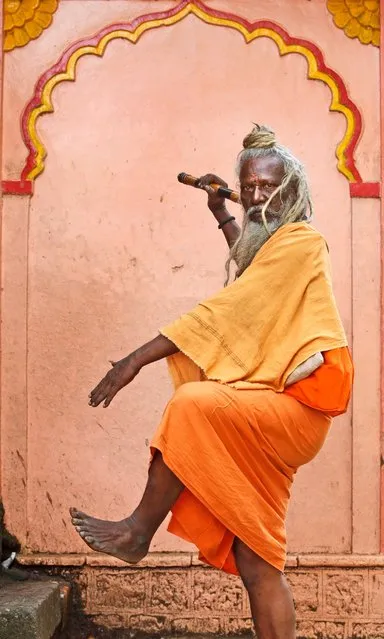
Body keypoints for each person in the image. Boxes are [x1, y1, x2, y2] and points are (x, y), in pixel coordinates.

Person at [70, 125, 353, 639]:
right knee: (256, 558)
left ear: (290, 189)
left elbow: (233, 307)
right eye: (249, 188)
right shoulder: (275, 246)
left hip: (299, 407)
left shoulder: (303, 242)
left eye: (268, 186)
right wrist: (222, 213)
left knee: (192, 405)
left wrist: (134, 360)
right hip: (266, 401)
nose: (258, 196)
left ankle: (138, 531)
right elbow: (251, 273)